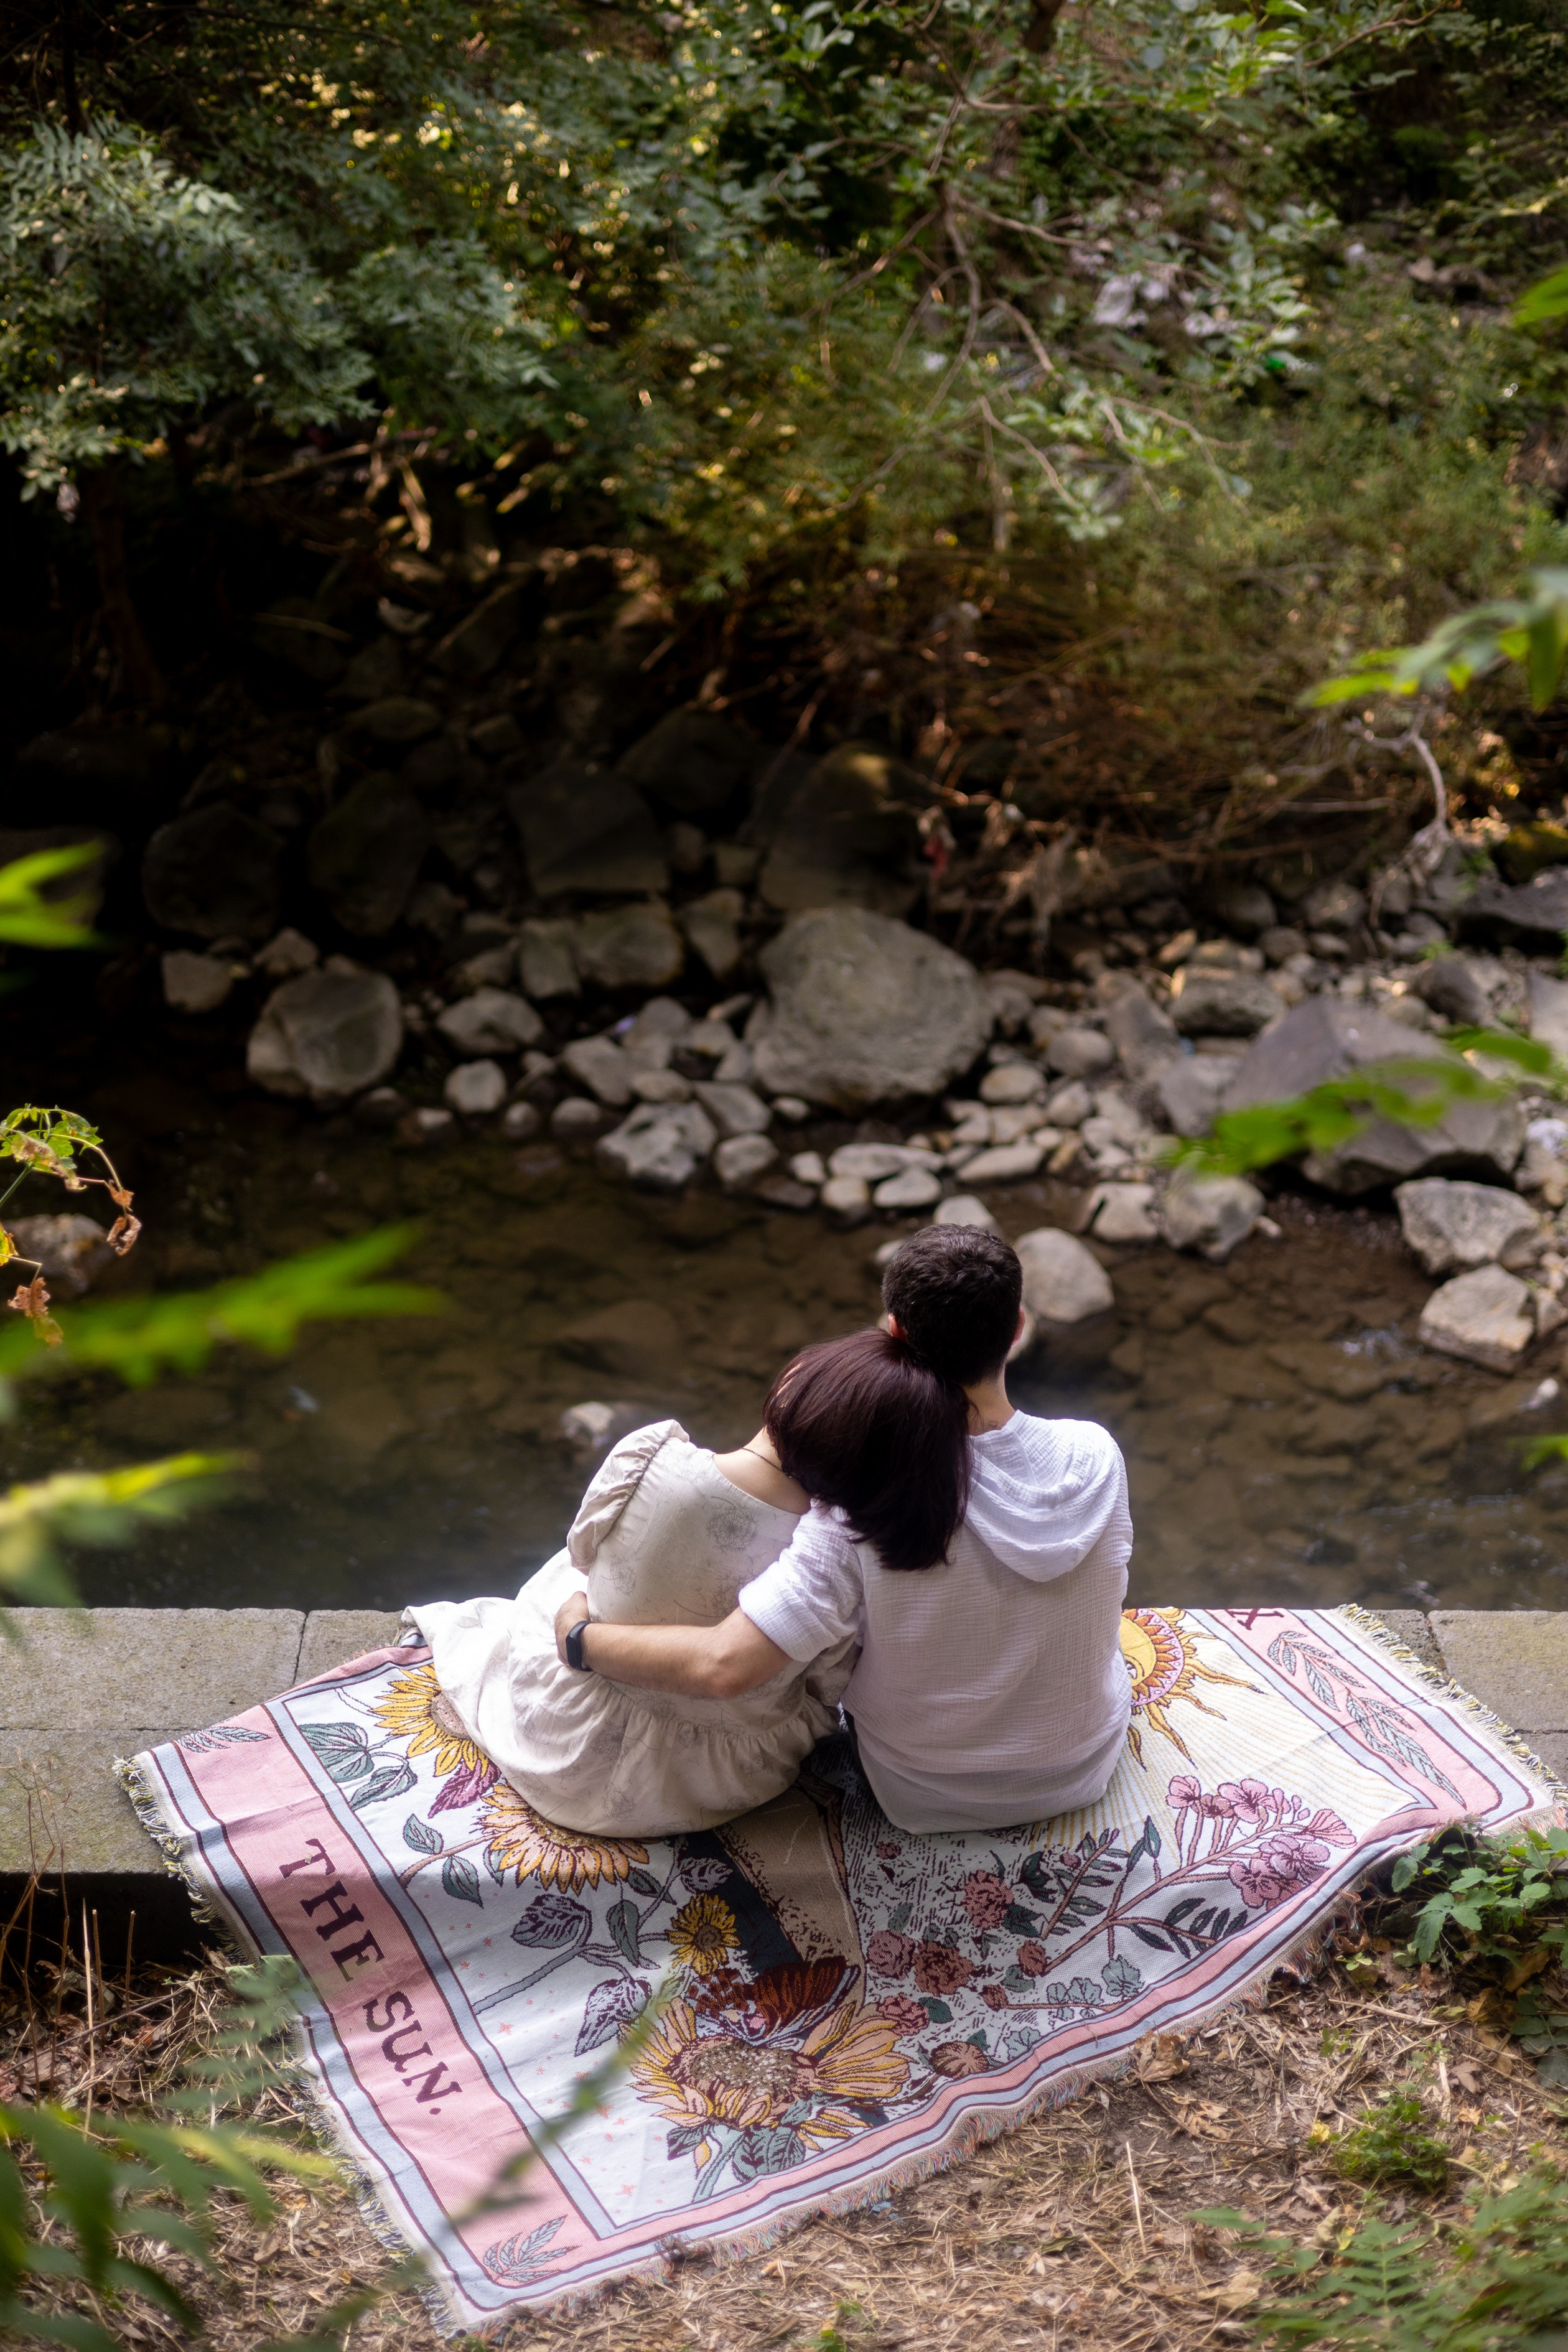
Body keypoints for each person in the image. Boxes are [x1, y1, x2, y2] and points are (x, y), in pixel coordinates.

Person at [551, 1225, 1134, 1834]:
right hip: (1084, 1765)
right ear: (1017, 1329)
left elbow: (725, 1666)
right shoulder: (1095, 1456)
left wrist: (580, 1639)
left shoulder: (865, 1507)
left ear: (894, 1332)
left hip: (926, 1795)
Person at [408, 1414, 853, 1839]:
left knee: (573, 1573)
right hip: (722, 1779)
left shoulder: (653, 1455)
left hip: (563, 1739)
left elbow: (583, 1554)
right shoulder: (844, 1555)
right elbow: (827, 1686)